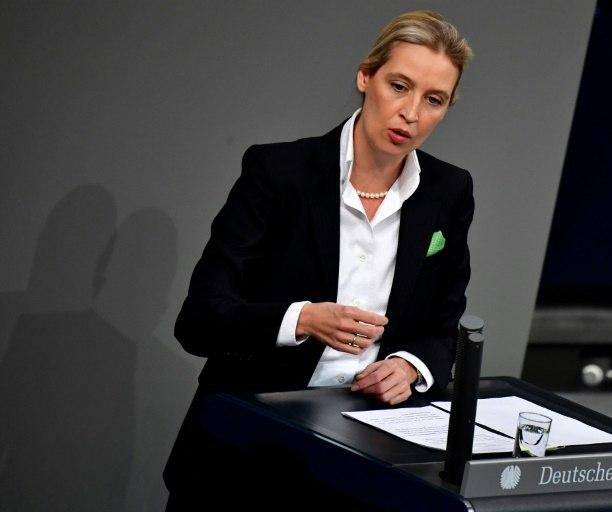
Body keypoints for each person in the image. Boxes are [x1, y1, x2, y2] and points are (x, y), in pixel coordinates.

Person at [165, 10, 474, 508]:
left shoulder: (449, 191)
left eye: (433, 99)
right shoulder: (278, 173)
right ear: (365, 76)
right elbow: (199, 321)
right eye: (399, 85)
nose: (411, 112)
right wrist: (303, 319)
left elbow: (443, 327)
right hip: (248, 449)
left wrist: (410, 366)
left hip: (363, 459)